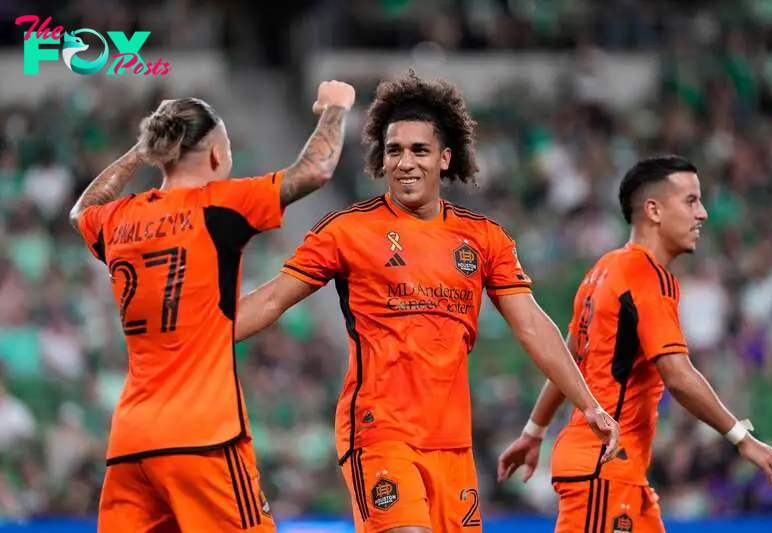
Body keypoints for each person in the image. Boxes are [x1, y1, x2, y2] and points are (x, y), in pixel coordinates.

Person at [234, 71, 620, 533]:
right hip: (380, 434)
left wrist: (589, 405)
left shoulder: (483, 238)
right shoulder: (348, 231)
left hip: (453, 448)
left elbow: (533, 326)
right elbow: (273, 299)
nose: (405, 162)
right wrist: (191, 337)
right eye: (394, 150)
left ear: (444, 158)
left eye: (419, 150)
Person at [69, 81, 356, 532]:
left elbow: (81, 209)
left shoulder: (119, 219)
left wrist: (136, 155)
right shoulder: (219, 205)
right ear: (217, 156)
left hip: (131, 444)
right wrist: (336, 108)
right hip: (203, 437)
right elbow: (314, 171)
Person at [496, 155, 772, 533]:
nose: (702, 213)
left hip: (617, 472)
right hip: (603, 469)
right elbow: (678, 375)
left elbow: (568, 360)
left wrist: (534, 430)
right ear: (653, 210)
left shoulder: (602, 270)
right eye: (691, 201)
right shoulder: (647, 278)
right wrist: (741, 437)